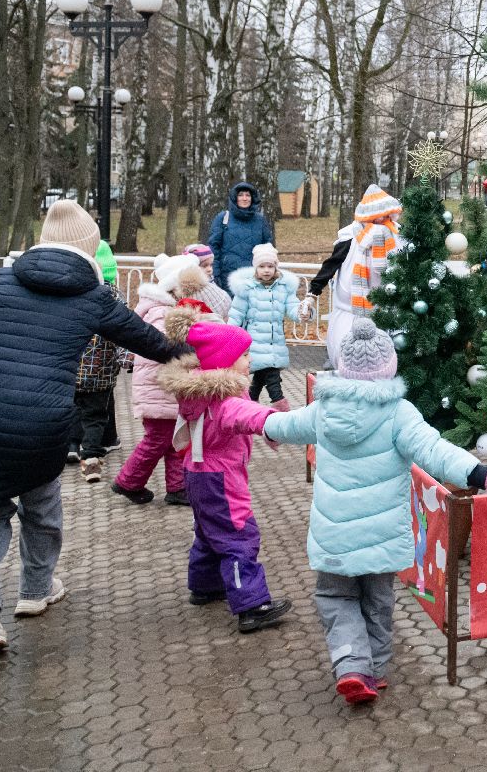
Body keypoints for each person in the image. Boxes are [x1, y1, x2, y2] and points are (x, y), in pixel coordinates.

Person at [0, 200, 188, 655]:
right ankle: (35, 591)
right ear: (90, 249)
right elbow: (157, 346)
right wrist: (213, 349)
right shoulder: (97, 299)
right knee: (40, 506)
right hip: (37, 420)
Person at [261, 319, 487, 705]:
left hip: (333, 534)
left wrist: (266, 426)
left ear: (342, 365)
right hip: (383, 536)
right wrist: (478, 472)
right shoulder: (399, 413)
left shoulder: (323, 408)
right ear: (389, 365)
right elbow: (434, 451)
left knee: (336, 599)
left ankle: (353, 665)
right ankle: (376, 670)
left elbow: (288, 425)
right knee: (379, 601)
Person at [157, 305, 293, 634]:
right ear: (225, 361)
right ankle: (250, 604)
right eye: (244, 355)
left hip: (197, 472)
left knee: (208, 532)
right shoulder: (226, 400)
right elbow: (252, 417)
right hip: (220, 478)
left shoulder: (200, 394)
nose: (249, 361)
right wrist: (283, 424)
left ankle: (204, 586)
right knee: (238, 536)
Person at [113, 254, 211, 506]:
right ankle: (128, 481)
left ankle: (177, 487)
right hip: (159, 388)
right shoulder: (162, 313)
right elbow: (164, 347)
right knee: (157, 440)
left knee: (174, 439)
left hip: (165, 389)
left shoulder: (166, 310)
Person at [307, 184, 401, 369]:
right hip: (351, 311)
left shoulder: (397, 236)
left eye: (386, 215)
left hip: (389, 311)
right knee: (350, 359)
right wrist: (313, 293)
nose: (382, 220)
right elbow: (330, 265)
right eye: (377, 216)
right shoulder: (350, 237)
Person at [71, 240, 127, 482]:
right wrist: (126, 357)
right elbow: (125, 329)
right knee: (95, 415)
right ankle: (91, 457)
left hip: (71, 368)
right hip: (101, 372)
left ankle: (71, 446)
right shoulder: (113, 295)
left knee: (74, 409)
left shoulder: (71, 294)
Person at [228, 243, 299, 406]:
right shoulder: (247, 289)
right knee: (273, 378)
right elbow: (236, 313)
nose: (266, 270)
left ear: (276, 267)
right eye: (262, 266)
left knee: (260, 378)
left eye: (270, 266)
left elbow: (293, 307)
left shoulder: (283, 288)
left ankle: (248, 405)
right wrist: (230, 332)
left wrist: (303, 312)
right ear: (255, 268)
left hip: (276, 343)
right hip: (255, 343)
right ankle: (281, 408)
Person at [207, 181, 274, 289]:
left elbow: (268, 249)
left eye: (248, 195)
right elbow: (213, 247)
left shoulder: (260, 220)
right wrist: (215, 273)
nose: (244, 198)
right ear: (235, 198)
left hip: (254, 277)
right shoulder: (223, 218)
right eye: (241, 195)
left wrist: (268, 273)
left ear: (252, 198)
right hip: (227, 277)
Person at [183, 243, 233, 317]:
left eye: (211, 265)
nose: (209, 269)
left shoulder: (211, 280)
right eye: (204, 266)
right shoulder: (189, 289)